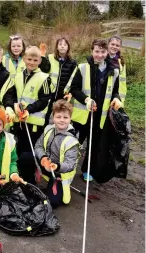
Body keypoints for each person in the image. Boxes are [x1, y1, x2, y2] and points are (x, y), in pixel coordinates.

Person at [70, 39, 121, 182]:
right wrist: (86, 100)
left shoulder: (114, 71)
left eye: (102, 52)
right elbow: (74, 89)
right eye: (97, 51)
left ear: (107, 53)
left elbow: (115, 91)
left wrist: (116, 98)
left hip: (100, 116)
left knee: (94, 144)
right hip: (82, 115)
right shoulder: (82, 68)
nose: (99, 55)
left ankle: (87, 170)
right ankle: (67, 167)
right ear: (92, 51)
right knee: (74, 142)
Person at [11, 46, 51, 184]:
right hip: (20, 121)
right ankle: (21, 176)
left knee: (29, 154)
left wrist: (29, 109)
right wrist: (14, 105)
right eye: (29, 59)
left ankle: (30, 180)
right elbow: (12, 93)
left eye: (35, 60)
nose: (32, 62)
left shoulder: (44, 78)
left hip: (34, 124)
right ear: (24, 59)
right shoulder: (18, 75)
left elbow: (45, 100)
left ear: (40, 61)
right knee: (20, 150)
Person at [35, 99, 79, 208]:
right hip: (45, 164)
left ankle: (54, 183)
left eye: (65, 117)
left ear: (70, 119)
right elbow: (38, 146)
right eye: (58, 117)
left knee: (54, 203)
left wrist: (57, 166)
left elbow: (70, 164)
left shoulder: (72, 140)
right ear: (53, 118)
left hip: (59, 172)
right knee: (24, 158)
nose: (62, 120)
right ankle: (32, 182)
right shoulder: (48, 129)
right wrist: (43, 158)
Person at [39, 38, 77, 126]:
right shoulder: (50, 57)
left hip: (63, 93)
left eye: (65, 44)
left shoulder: (72, 62)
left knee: (61, 114)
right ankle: (44, 129)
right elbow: (44, 70)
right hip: (50, 91)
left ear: (68, 47)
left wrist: (69, 92)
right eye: (60, 44)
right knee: (46, 112)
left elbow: (73, 78)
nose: (62, 46)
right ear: (57, 47)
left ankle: (59, 130)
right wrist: (42, 57)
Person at [107, 35, 127, 104]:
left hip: (115, 93)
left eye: (117, 45)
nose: (114, 47)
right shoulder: (101, 57)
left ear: (120, 47)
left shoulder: (121, 62)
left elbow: (122, 82)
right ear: (108, 44)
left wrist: (120, 98)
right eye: (112, 44)